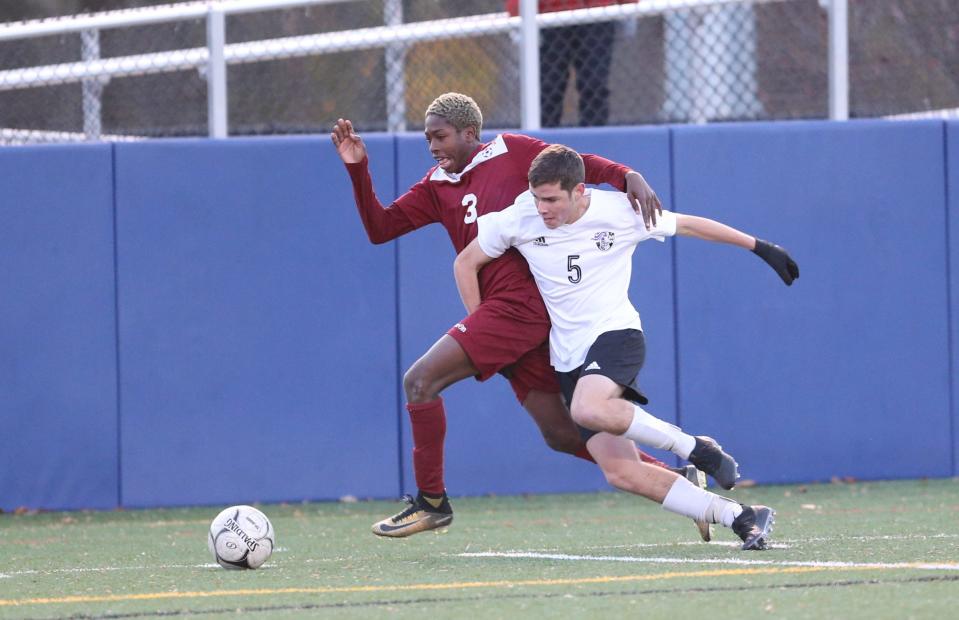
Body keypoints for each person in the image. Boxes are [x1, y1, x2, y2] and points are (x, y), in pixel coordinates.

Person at [331, 92, 711, 539]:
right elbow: (381, 228)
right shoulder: (437, 185)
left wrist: (628, 175)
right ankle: (679, 482)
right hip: (504, 317)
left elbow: (579, 162)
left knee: (419, 382)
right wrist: (358, 168)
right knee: (561, 431)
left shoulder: (512, 151)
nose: (432, 146)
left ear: (470, 133)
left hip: (522, 308)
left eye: (441, 136)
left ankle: (431, 502)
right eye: (428, 138)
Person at [453, 144, 799, 549]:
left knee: (588, 407)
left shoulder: (620, 211)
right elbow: (465, 263)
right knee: (622, 473)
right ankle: (740, 515)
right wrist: (483, 331)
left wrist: (759, 247)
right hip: (567, 356)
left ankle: (693, 447)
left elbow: (689, 225)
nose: (542, 208)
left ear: (579, 191)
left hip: (616, 334)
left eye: (551, 199)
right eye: (537, 198)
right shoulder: (520, 217)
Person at [506, 0, 634, 127]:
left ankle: (595, 140)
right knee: (549, 87)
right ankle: (544, 141)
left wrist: (629, 6)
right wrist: (517, 12)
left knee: (595, 84)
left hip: (597, 12)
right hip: (551, 16)